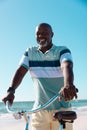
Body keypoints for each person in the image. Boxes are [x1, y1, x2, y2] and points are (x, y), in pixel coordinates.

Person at [2, 23, 78, 130]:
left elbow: (67, 66)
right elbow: (20, 72)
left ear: (52, 34)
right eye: (38, 33)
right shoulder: (30, 52)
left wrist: (68, 84)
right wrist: (11, 91)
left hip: (62, 109)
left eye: (45, 33)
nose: (41, 36)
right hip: (39, 111)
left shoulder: (62, 51)